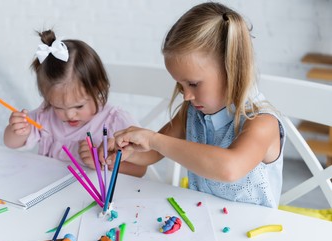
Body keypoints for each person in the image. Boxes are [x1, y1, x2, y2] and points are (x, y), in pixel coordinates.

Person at [104, 2, 286, 207]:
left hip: (251, 232)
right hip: (201, 220)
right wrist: (129, 151)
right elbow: (155, 152)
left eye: (193, 84)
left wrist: (153, 139)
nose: (186, 95)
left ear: (231, 69)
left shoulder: (261, 122)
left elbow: (230, 168)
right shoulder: (192, 112)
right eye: (180, 84)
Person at [3, 29, 146, 177]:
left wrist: (101, 162)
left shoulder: (115, 122)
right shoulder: (46, 115)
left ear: (99, 88)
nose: (69, 115)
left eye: (79, 106)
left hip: (96, 197)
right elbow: (11, 143)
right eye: (58, 106)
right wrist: (17, 130)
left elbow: (140, 170)